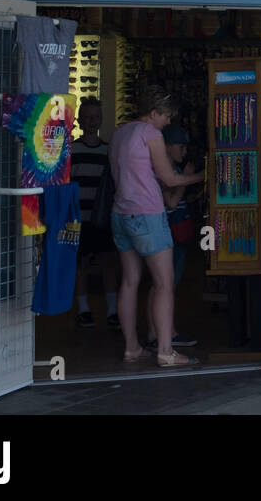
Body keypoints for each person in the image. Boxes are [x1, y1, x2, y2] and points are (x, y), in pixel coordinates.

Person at [109, 86, 204, 367]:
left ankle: (132, 348)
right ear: (154, 113)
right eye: (165, 116)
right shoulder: (151, 134)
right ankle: (165, 351)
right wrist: (202, 175)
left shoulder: (119, 133)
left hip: (120, 212)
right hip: (147, 213)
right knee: (164, 283)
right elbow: (169, 180)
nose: (168, 122)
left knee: (129, 281)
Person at [144, 126, 199, 350]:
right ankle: (158, 333)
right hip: (168, 231)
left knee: (166, 284)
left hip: (175, 232)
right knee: (162, 284)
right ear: (166, 147)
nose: (183, 151)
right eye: (180, 146)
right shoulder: (161, 170)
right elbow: (172, 202)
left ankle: (162, 331)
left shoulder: (171, 168)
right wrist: (187, 179)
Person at [71, 98, 119, 330]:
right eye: (88, 117)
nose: (92, 122)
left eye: (96, 118)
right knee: (80, 264)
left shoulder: (109, 150)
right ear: (79, 120)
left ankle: (112, 311)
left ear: (101, 120)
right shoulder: (71, 149)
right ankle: (83, 309)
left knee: (108, 262)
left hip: (102, 217)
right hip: (78, 217)